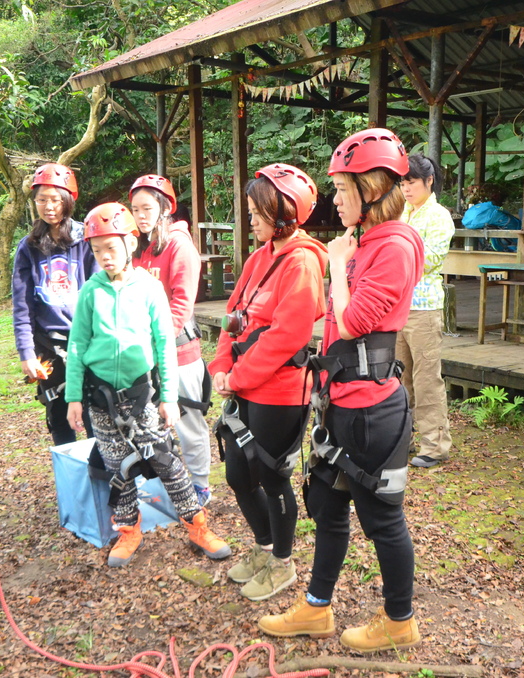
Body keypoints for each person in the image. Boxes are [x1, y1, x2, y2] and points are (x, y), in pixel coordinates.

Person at [257, 129, 424, 653]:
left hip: (371, 410)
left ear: (371, 191)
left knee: (383, 519)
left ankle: (399, 620)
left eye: (342, 189)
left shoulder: (394, 245)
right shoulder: (364, 241)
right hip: (340, 404)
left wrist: (335, 266)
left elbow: (353, 323)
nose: (335, 199)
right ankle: (316, 607)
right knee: (327, 507)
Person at [64, 203, 231, 568]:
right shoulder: (90, 292)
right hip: (101, 397)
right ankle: (128, 530)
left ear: (130, 243)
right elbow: (77, 347)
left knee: (166, 460)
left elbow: (164, 346)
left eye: (111, 248)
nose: (105, 257)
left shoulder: (150, 289)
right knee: (117, 466)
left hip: (142, 395)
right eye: (97, 251)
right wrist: (73, 396)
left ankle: (198, 525)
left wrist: (168, 397)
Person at [209, 163, 327, 601]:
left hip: (279, 391)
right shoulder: (260, 257)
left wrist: (236, 376)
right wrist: (221, 366)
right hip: (245, 384)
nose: (252, 220)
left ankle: (282, 561)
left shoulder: (301, 262)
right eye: (251, 212)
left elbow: (287, 336)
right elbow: (232, 315)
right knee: (238, 473)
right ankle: (263, 547)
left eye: (258, 212)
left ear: (283, 213)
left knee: (271, 475)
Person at [129, 175, 213, 505]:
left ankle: (201, 486)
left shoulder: (179, 246)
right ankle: (170, 484)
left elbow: (181, 303)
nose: (141, 215)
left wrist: (158, 346)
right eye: (135, 209)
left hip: (180, 352)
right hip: (146, 354)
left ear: (165, 208)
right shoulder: (140, 248)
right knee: (154, 423)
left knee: (189, 422)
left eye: (147, 208)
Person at [12, 163, 97, 446]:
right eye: (42, 200)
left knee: (96, 411)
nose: (49, 207)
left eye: (56, 199)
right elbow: (22, 305)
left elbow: (101, 294)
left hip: (87, 341)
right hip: (48, 344)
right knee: (58, 415)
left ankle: (102, 470)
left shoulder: (87, 239)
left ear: (69, 200)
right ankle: (70, 472)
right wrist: (27, 352)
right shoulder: (29, 247)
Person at [397, 154, 455, 468]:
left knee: (426, 379)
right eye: (402, 183)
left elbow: (430, 260)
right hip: (397, 305)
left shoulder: (439, 216)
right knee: (398, 379)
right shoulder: (400, 212)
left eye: (412, 182)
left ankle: (434, 445)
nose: (406, 189)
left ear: (429, 181)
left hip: (424, 307)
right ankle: (399, 440)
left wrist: (398, 251)